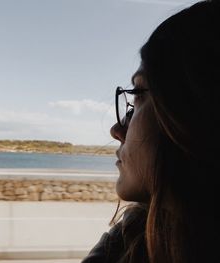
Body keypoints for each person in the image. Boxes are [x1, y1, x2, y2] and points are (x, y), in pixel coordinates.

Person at [81, 1, 218, 263]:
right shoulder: (133, 240)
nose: (117, 129)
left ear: (191, 112)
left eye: (138, 95)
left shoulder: (130, 247)